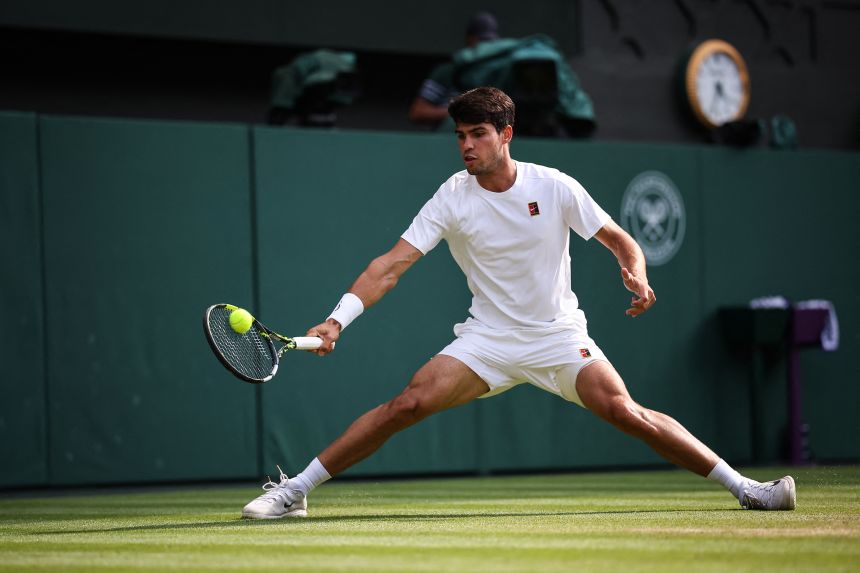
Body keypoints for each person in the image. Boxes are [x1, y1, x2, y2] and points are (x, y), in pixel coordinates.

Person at [242, 87, 796, 519]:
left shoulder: (554, 186)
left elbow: (621, 240)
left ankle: (748, 489)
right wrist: (339, 319)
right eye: (460, 135)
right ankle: (296, 490)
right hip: (488, 340)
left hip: (557, 334)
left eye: (478, 134)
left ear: (506, 134)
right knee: (406, 406)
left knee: (628, 413)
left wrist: (635, 270)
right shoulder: (451, 197)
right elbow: (390, 265)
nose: (466, 146)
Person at [408, 12, 500, 126]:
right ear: (469, 39)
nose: (483, 47)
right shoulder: (448, 71)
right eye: (480, 41)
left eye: (488, 43)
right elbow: (417, 112)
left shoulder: (499, 73)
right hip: (448, 137)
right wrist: (459, 112)